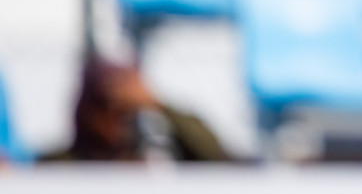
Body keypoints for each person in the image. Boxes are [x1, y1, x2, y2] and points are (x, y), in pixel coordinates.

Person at [41, 57, 229, 163]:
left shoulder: (150, 163)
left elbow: (216, 158)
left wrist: (156, 104)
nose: (114, 121)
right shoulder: (60, 166)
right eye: (105, 108)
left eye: (124, 112)